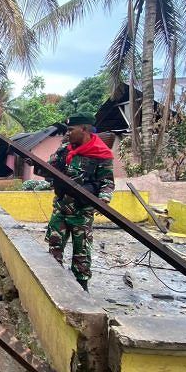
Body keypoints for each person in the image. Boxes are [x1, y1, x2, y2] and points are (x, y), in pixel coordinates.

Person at [44, 113, 114, 291]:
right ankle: (54, 285)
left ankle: (82, 286)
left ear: (84, 129)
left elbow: (107, 182)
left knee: (81, 251)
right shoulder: (65, 148)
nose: (67, 134)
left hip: (82, 211)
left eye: (70, 130)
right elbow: (49, 168)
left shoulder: (101, 154)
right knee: (54, 246)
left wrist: (104, 199)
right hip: (61, 206)